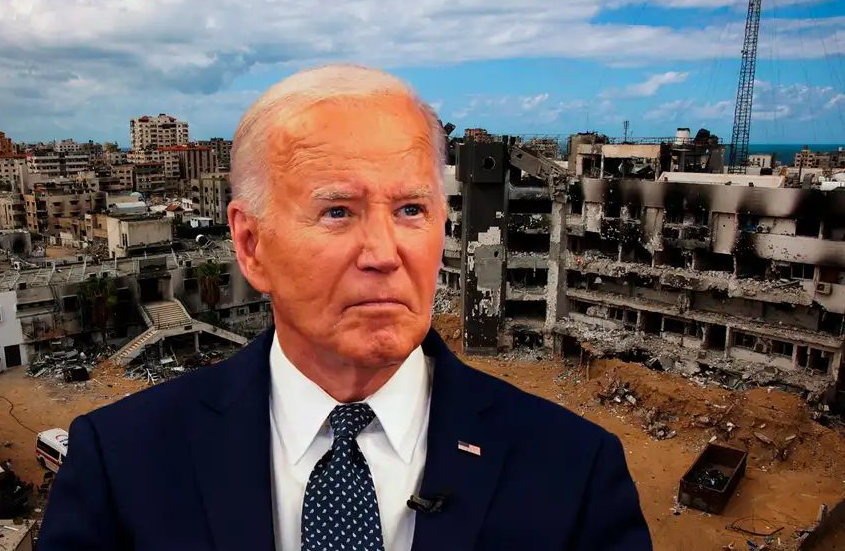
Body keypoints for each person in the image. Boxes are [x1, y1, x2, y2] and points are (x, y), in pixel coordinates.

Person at [38, 64, 652, 551]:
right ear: (251, 245)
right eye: (338, 211)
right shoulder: (122, 462)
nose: (385, 254)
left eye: (411, 210)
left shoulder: (574, 472)